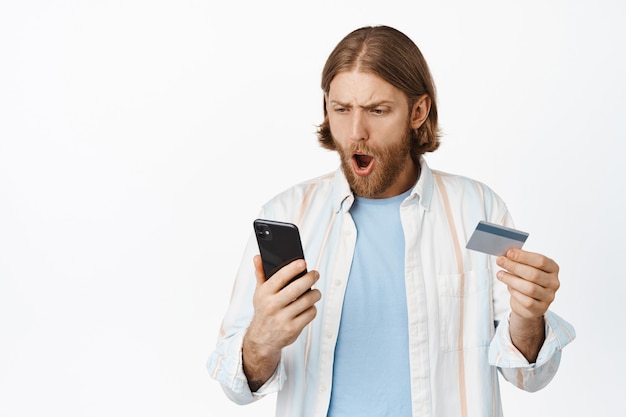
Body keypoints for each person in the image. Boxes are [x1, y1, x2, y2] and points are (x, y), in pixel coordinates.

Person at [206, 25, 575, 417]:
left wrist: (529, 314)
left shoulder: (479, 210)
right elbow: (235, 385)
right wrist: (262, 339)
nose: (355, 133)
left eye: (377, 111)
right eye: (341, 109)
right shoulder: (284, 214)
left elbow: (528, 377)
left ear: (418, 111)